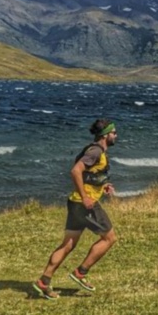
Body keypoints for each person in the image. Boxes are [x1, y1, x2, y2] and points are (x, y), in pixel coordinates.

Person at [32, 118, 119, 300]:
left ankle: (44, 281)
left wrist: (102, 185)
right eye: (114, 132)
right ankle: (81, 272)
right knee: (109, 238)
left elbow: (88, 174)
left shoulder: (95, 150)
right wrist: (86, 197)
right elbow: (76, 171)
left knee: (68, 245)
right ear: (105, 135)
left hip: (75, 203)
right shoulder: (96, 151)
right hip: (85, 204)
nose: (116, 135)